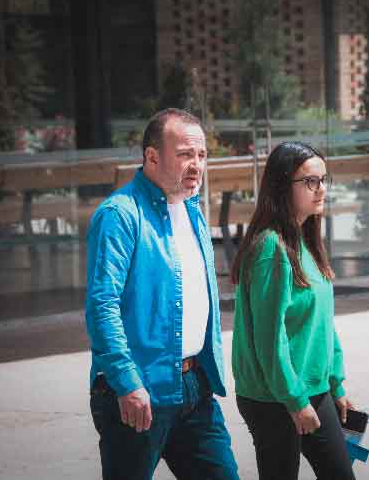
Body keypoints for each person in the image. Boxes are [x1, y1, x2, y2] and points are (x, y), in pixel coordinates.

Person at [85, 108, 239, 480]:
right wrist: (126, 381)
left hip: (193, 388)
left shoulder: (192, 211)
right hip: (138, 391)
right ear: (151, 157)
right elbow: (102, 305)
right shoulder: (120, 215)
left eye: (201, 155)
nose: (196, 165)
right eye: (185, 154)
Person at [230, 141, 356, 480]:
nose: (321, 190)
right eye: (310, 181)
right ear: (282, 186)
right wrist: (295, 399)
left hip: (312, 389)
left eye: (324, 180)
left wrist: (336, 384)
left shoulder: (306, 240)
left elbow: (323, 324)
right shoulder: (271, 248)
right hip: (275, 397)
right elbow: (270, 340)